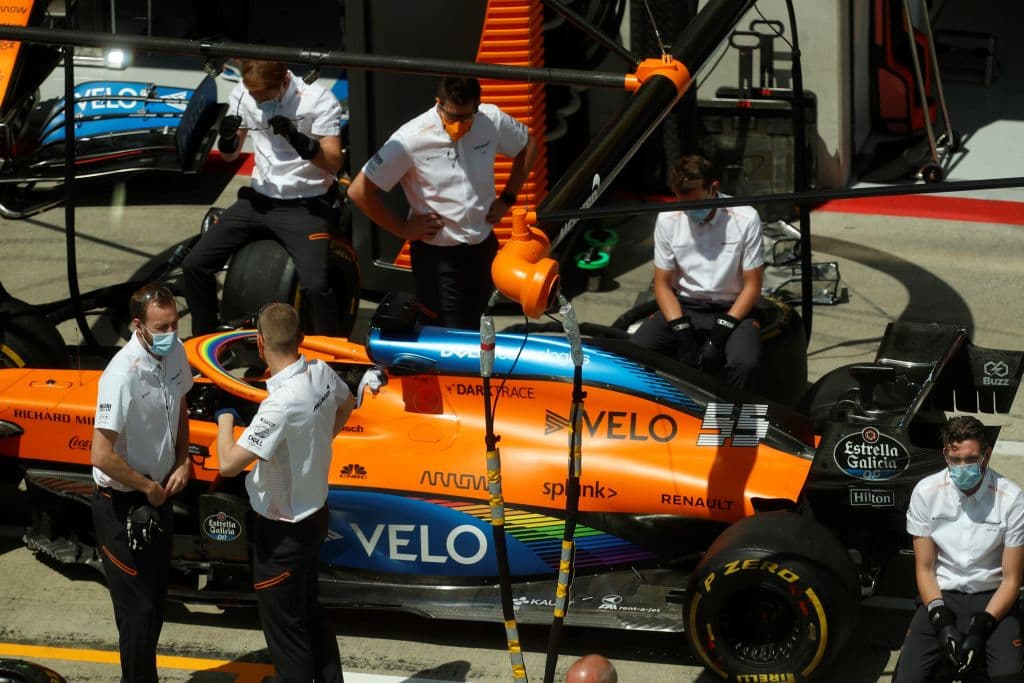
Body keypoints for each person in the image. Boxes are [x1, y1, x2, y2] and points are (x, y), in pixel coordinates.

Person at [216, 303, 355, 682]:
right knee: (310, 613)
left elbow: (228, 462)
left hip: (281, 533)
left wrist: (225, 417)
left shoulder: (278, 406)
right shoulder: (322, 372)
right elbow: (350, 402)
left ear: (260, 343)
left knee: (285, 633)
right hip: (314, 517)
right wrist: (318, 440)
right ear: (301, 339)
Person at [347, 75, 538, 330]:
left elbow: (528, 144)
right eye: (451, 117)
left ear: (477, 107)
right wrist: (401, 229)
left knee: (478, 325)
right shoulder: (410, 138)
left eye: (465, 118)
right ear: (438, 103)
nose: (457, 125)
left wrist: (508, 198)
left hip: (483, 248)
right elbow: (359, 190)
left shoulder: (491, 120)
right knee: (444, 336)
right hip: (437, 259)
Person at [182, 59, 345, 336]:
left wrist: (298, 139)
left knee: (316, 286)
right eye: (252, 95)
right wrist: (228, 138)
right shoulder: (243, 93)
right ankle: (205, 339)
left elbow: (333, 163)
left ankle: (331, 355)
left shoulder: (318, 99)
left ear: (282, 83)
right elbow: (229, 155)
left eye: (263, 97)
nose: (256, 101)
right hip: (258, 198)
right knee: (194, 264)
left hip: (305, 203)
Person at [90, 283, 193, 683]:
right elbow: (100, 454)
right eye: (162, 327)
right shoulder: (120, 375)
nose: (171, 333)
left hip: (159, 495)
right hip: (121, 506)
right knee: (138, 615)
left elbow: (182, 405)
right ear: (139, 326)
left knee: (154, 607)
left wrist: (183, 460)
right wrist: (145, 486)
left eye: (174, 323)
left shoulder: (176, 352)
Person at [893, 415, 1024, 682]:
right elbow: (925, 568)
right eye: (955, 460)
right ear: (945, 454)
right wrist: (940, 619)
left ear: (986, 455)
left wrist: (981, 628)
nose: (962, 467)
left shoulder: (1012, 499)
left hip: (993, 596)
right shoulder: (925, 493)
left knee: (1009, 676)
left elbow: (1012, 580)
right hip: (942, 594)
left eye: (971, 459)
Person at [631, 154, 764, 388]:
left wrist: (721, 333)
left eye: (696, 204)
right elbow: (662, 284)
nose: (689, 211)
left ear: (714, 188)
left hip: (733, 307)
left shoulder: (745, 218)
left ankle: (727, 420)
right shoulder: (668, 220)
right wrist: (680, 330)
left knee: (744, 364)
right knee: (633, 353)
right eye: (683, 204)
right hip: (686, 305)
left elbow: (753, 285)